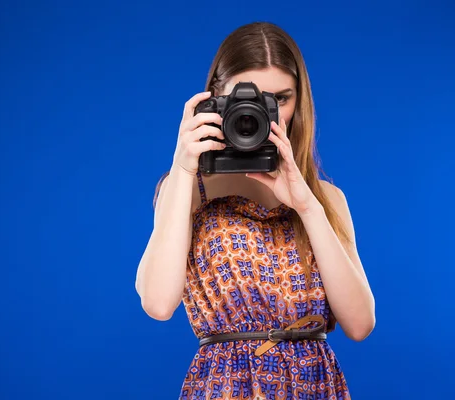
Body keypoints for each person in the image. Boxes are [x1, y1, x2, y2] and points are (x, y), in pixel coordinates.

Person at [135, 21, 375, 400]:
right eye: (246, 99)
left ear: (301, 101)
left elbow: (360, 324)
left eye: (281, 99)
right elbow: (158, 303)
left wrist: (307, 205)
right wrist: (183, 168)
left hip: (313, 384)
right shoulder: (189, 189)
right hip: (227, 386)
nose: (264, 114)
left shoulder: (326, 199)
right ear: (215, 98)